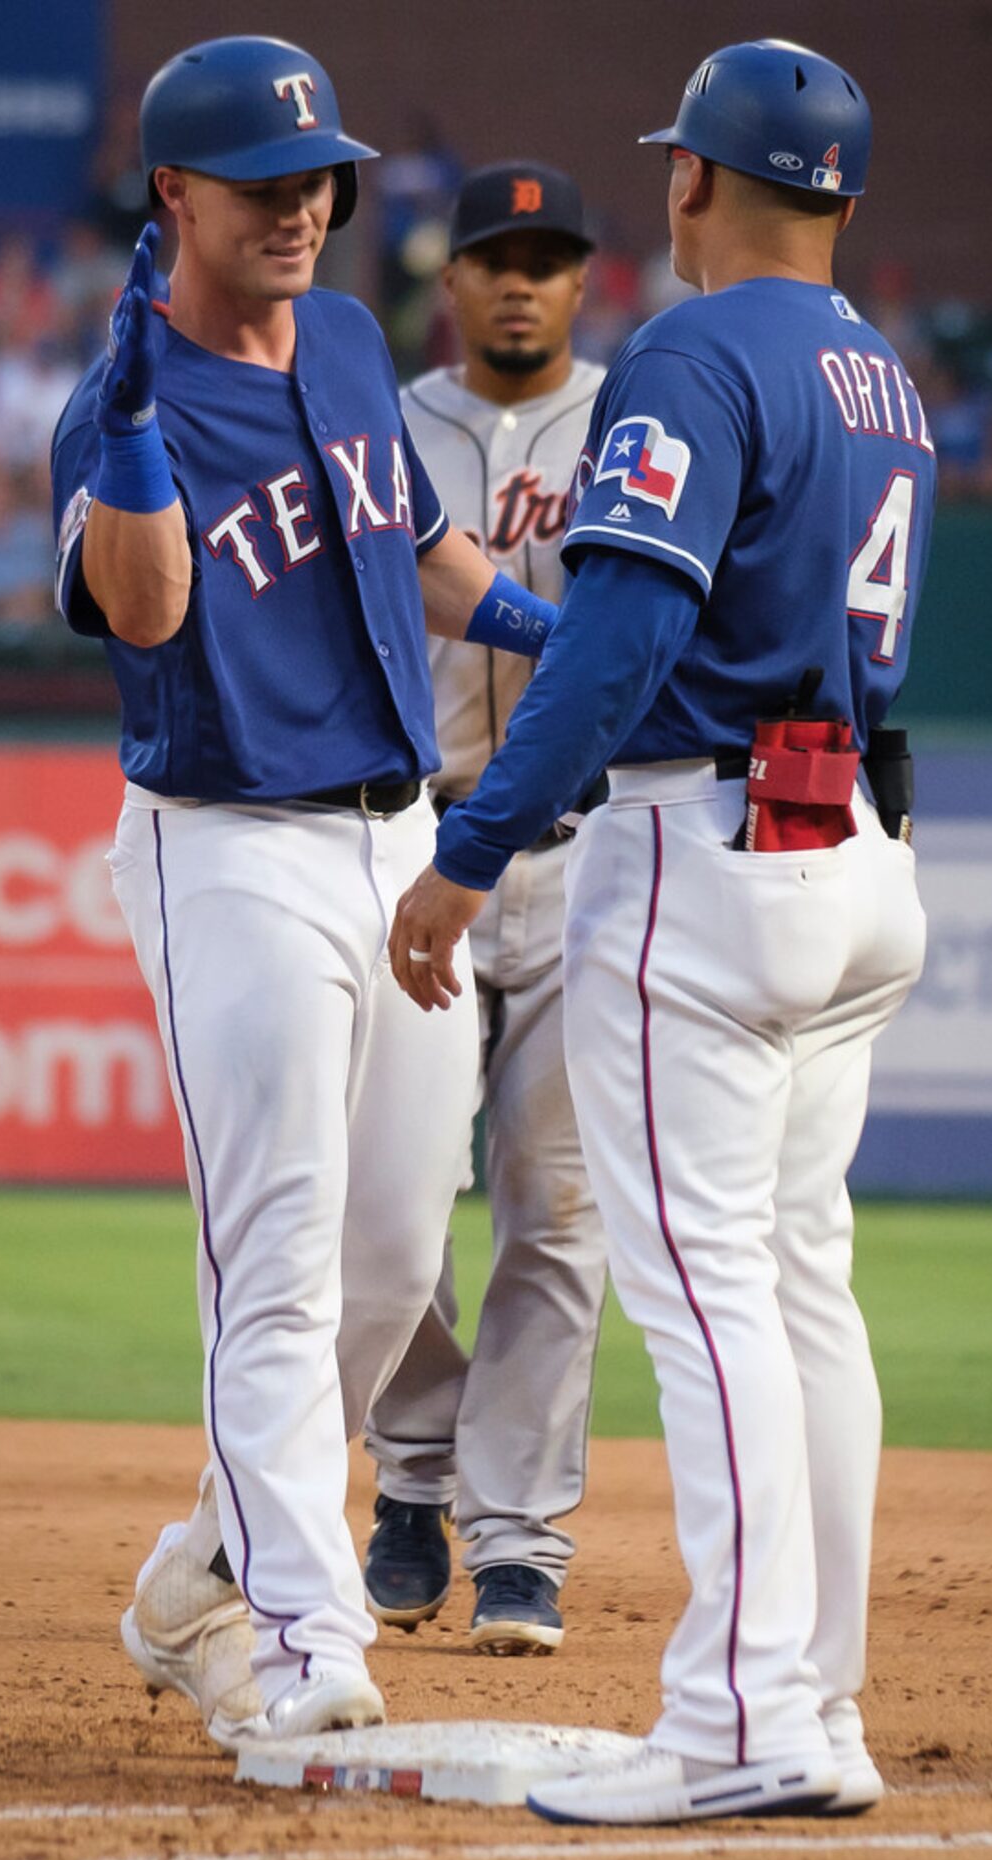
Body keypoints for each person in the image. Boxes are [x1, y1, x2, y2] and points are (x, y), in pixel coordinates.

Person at [390, 38, 935, 1825]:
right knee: (796, 1290)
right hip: (849, 837)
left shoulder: (691, 348)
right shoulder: (881, 376)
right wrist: (539, 628)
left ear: (694, 178)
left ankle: (739, 1723)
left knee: (707, 1304)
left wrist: (470, 846)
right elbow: (708, 637)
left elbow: (637, 654)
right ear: (839, 199)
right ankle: (819, 1704)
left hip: (698, 858)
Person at [49, 35, 561, 1750]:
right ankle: (296, 1628)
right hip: (230, 841)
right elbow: (138, 612)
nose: (299, 207)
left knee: (397, 1251)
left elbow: (416, 546)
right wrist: (125, 426)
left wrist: (552, 635)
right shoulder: (117, 396)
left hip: (397, 834)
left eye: (317, 180)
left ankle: (211, 1550)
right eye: (261, 185)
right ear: (172, 195)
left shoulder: (346, 339)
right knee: (271, 1253)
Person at [361, 162, 608, 1655]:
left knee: (556, 1215)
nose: (518, 282)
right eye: (492, 257)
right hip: (419, 833)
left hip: (586, 855)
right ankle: (410, 1476)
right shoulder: (382, 425)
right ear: (446, 278)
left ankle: (516, 1540)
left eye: (547, 258)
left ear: (585, 281)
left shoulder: (640, 425)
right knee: (395, 1205)